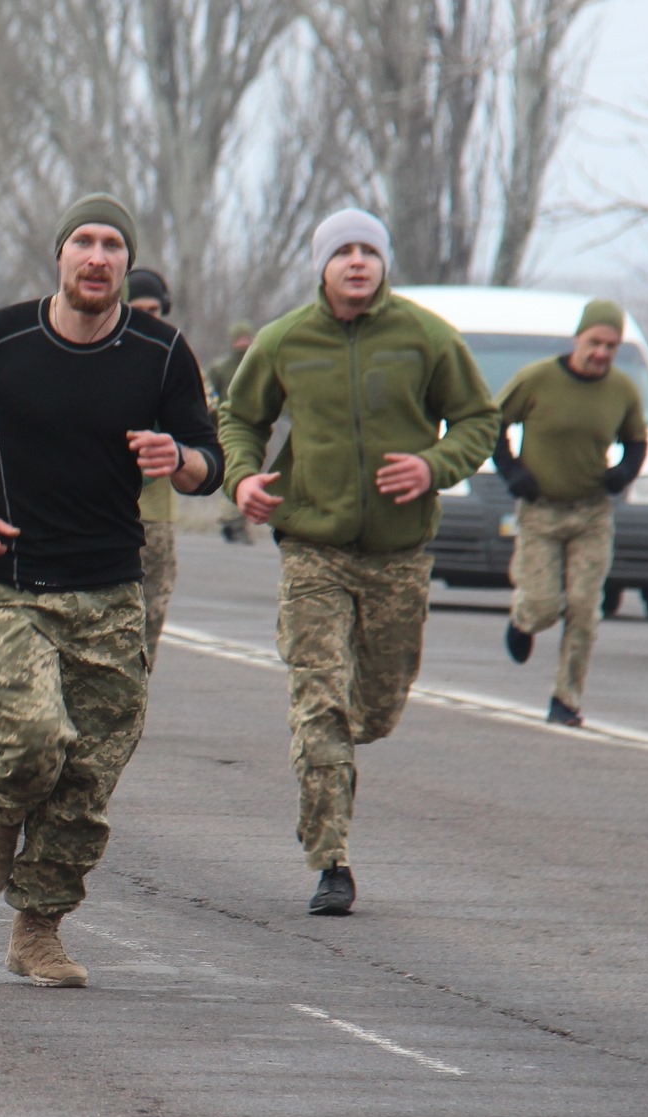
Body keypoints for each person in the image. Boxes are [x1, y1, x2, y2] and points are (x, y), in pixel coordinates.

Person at [0, 194, 221, 988]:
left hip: (112, 592)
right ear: (60, 255)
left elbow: (211, 460)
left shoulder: (161, 351)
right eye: (84, 240)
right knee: (34, 738)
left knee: (88, 777)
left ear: (124, 262)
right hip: (15, 581)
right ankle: (0, 806)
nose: (98, 256)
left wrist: (175, 455)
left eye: (113, 244)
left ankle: (37, 928)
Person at [221, 208, 498, 914]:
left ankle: (341, 762)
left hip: (398, 555)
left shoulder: (425, 337)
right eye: (341, 251)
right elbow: (239, 417)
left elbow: (479, 419)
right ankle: (331, 860)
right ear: (321, 264)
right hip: (313, 548)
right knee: (319, 701)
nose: (355, 261)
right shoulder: (286, 339)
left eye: (367, 250)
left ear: (383, 262)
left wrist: (435, 465)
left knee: (372, 710)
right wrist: (244, 478)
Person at [492, 298, 648, 726]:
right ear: (578, 338)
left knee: (584, 607)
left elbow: (637, 441)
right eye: (595, 342)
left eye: (611, 346)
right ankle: (525, 619)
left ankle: (566, 700)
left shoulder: (620, 391)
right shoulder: (537, 380)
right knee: (545, 606)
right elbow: (492, 424)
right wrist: (513, 472)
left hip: (592, 514)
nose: (601, 353)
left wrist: (622, 472)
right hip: (541, 511)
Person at [123, 267, 183, 665]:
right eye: (136, 308)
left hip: (152, 512)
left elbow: (204, 431)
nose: (147, 318)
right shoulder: (81, 346)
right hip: (85, 507)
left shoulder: (174, 360)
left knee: (148, 616)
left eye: (154, 310)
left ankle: (128, 708)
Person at [209, 320, 257, 544]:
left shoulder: (258, 364)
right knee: (233, 471)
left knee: (248, 472)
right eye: (239, 339)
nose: (243, 343)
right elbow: (209, 396)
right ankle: (230, 519)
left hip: (254, 426)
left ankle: (237, 522)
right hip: (226, 427)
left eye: (246, 338)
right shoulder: (221, 367)